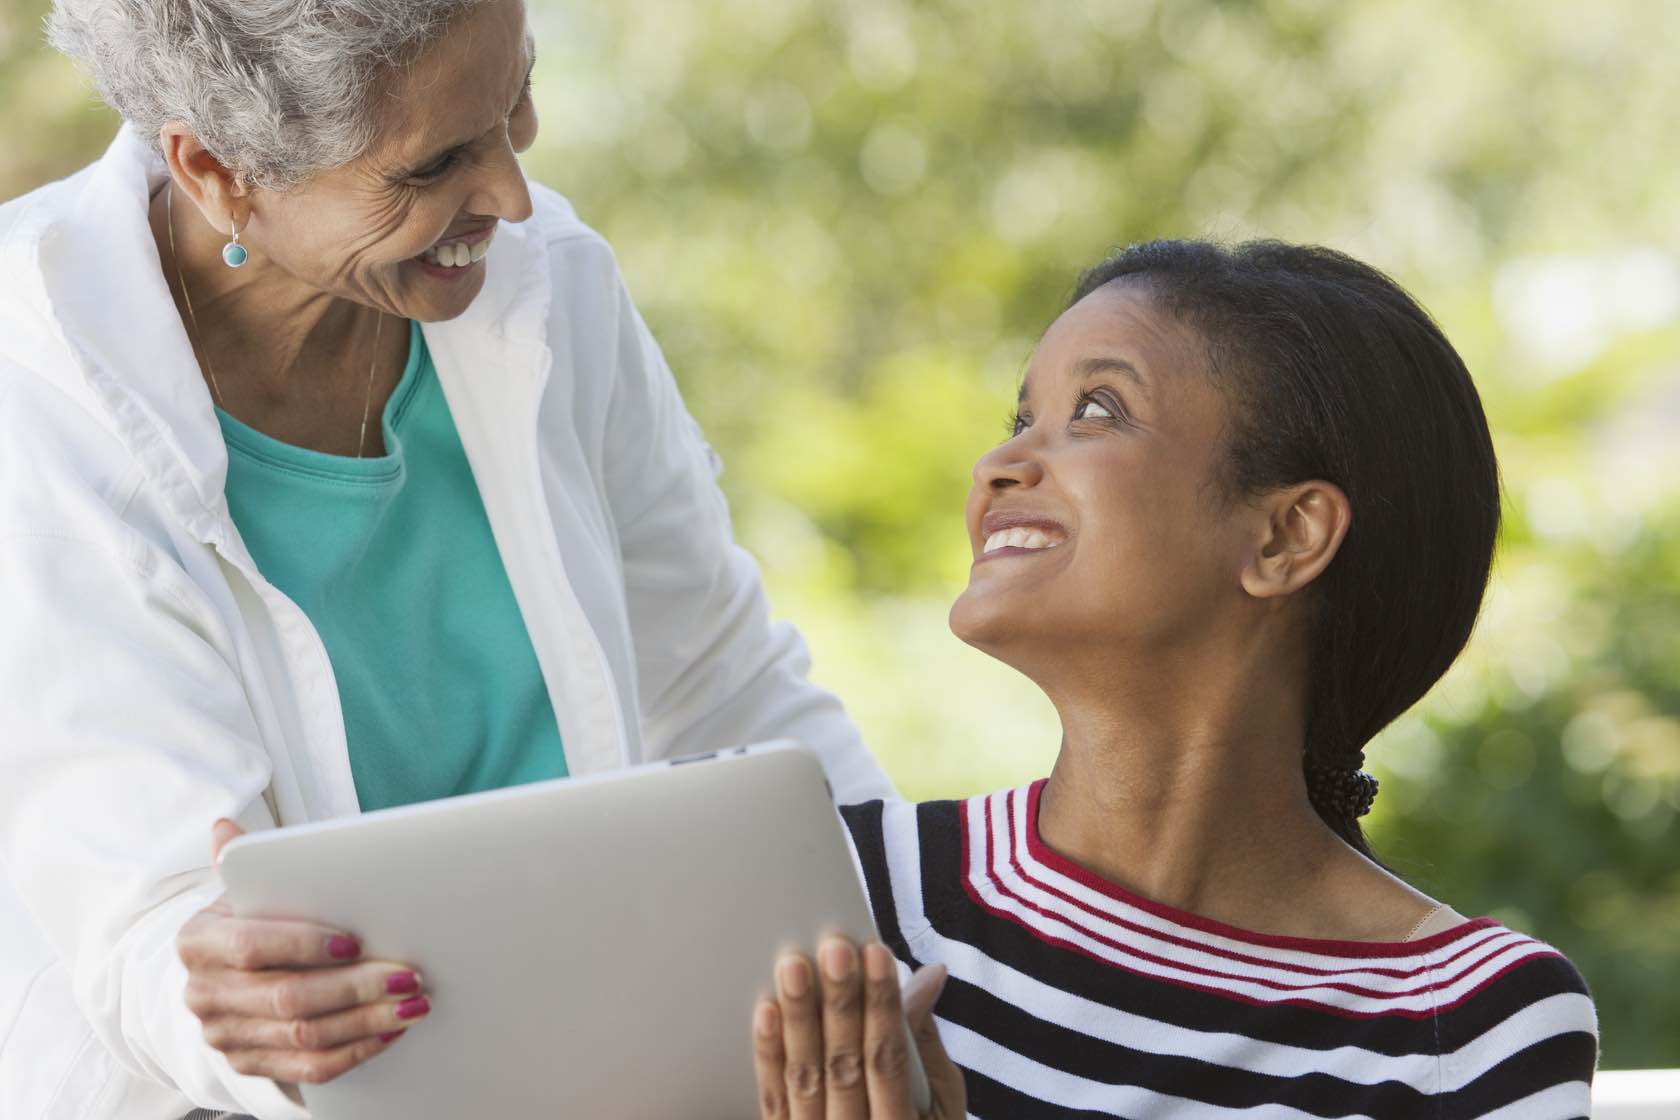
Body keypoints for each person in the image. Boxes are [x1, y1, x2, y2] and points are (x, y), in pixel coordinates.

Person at [0, 1, 895, 1117]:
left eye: (513, 102)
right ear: (218, 171)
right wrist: (242, 1008)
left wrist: (897, 966)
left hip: (614, 1067)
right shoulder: (31, 390)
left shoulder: (552, 277)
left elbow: (724, 688)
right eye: (432, 166)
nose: (512, 197)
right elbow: (148, 922)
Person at [751, 241, 1599, 1119]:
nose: (997, 466)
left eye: (1097, 410)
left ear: (1286, 536)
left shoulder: (1468, 1027)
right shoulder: (836, 897)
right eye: (1020, 418)